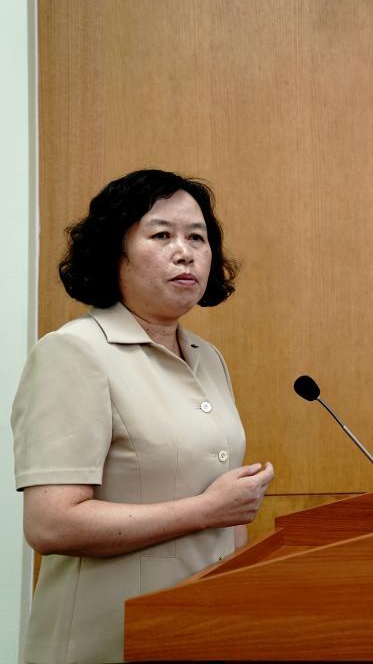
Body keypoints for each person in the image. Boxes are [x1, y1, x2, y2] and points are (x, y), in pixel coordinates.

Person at [11, 169, 275, 664]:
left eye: (197, 237)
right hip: (106, 640)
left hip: (199, 629)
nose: (185, 252)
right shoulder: (74, 352)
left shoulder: (207, 357)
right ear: (114, 252)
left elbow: (225, 505)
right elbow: (51, 524)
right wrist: (206, 510)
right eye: (161, 235)